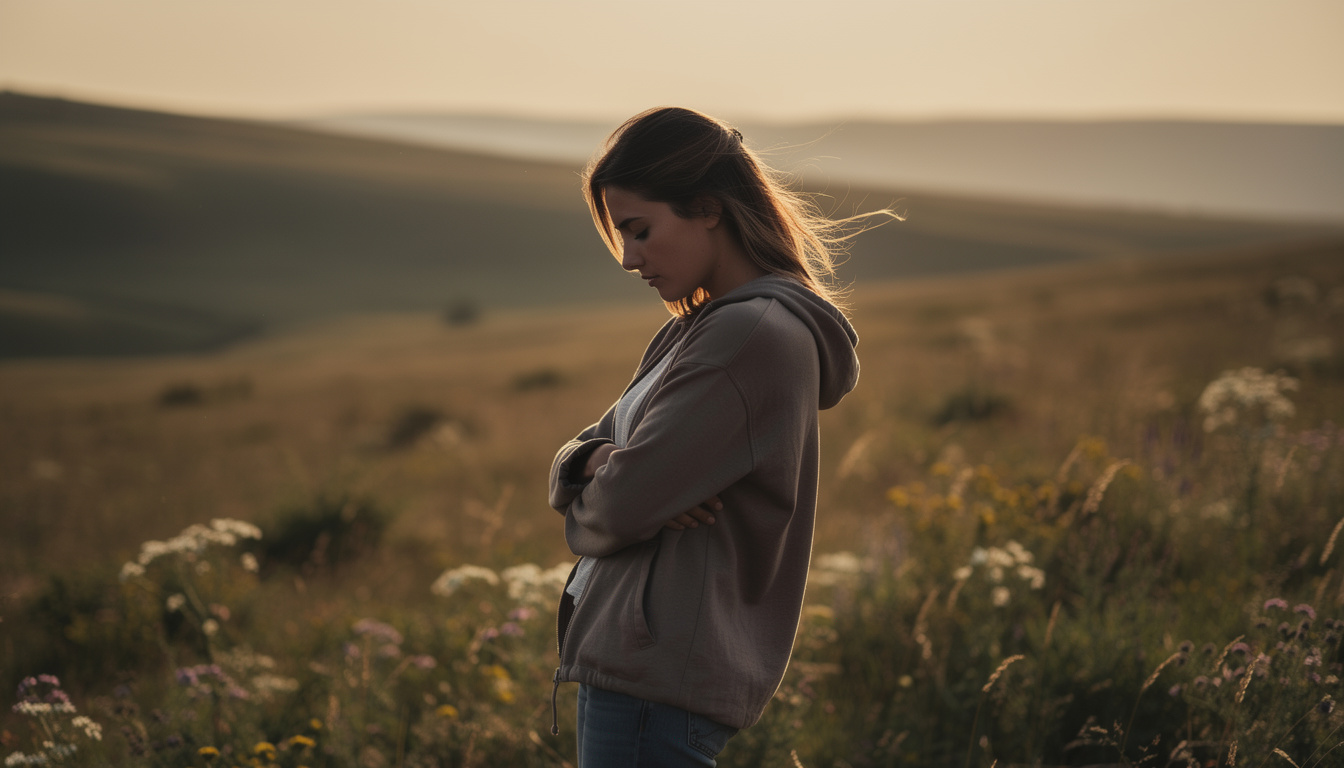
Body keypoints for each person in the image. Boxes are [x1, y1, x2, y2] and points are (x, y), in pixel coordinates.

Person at [548, 106, 886, 767]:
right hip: (641, 675)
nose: (627, 258)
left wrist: (611, 478)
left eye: (640, 231)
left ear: (708, 207)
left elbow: (619, 507)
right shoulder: (693, 330)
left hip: (659, 679)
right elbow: (590, 455)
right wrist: (597, 460)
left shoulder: (748, 337)